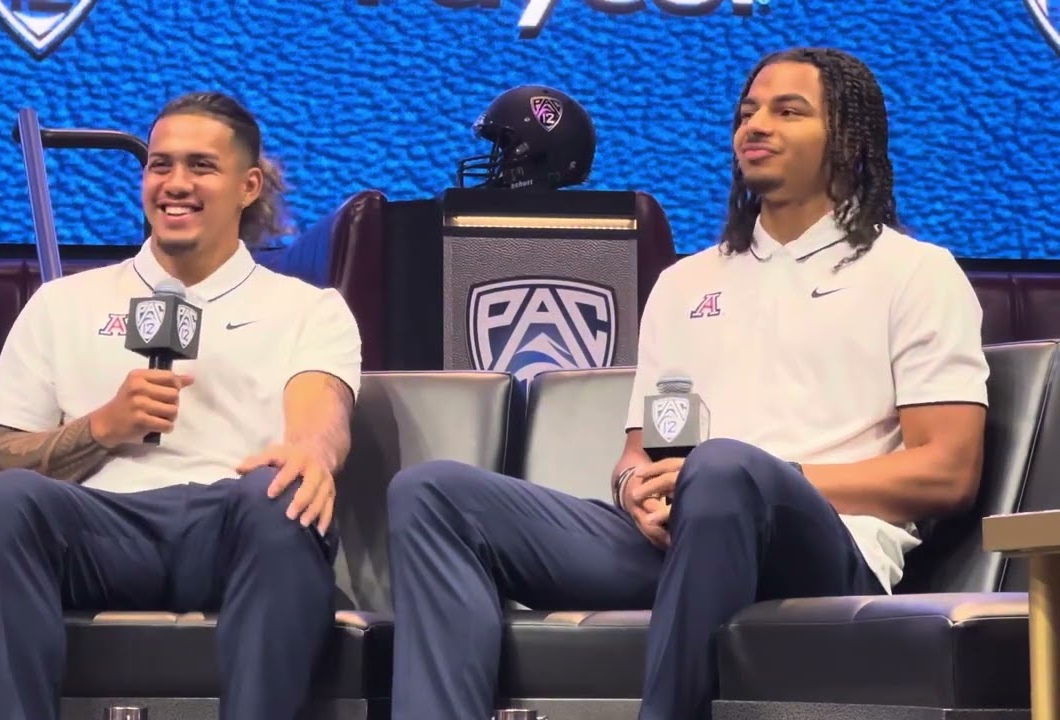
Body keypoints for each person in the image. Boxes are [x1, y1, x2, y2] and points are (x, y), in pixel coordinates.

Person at [385, 47, 989, 720]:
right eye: (748, 112)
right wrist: (635, 488)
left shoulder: (914, 273)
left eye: (788, 112)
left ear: (848, 138)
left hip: (828, 545)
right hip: (684, 538)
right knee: (432, 493)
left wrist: (770, 480)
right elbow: (656, 448)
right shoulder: (687, 283)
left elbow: (947, 471)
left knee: (724, 469)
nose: (757, 126)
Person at [0, 91, 362, 720]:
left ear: (249, 186)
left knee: (281, 490)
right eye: (160, 165)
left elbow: (320, 417)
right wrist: (102, 427)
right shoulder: (63, 303)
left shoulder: (308, 308)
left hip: (235, 524)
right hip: (99, 529)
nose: (175, 184)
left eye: (201, 166)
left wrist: (311, 453)